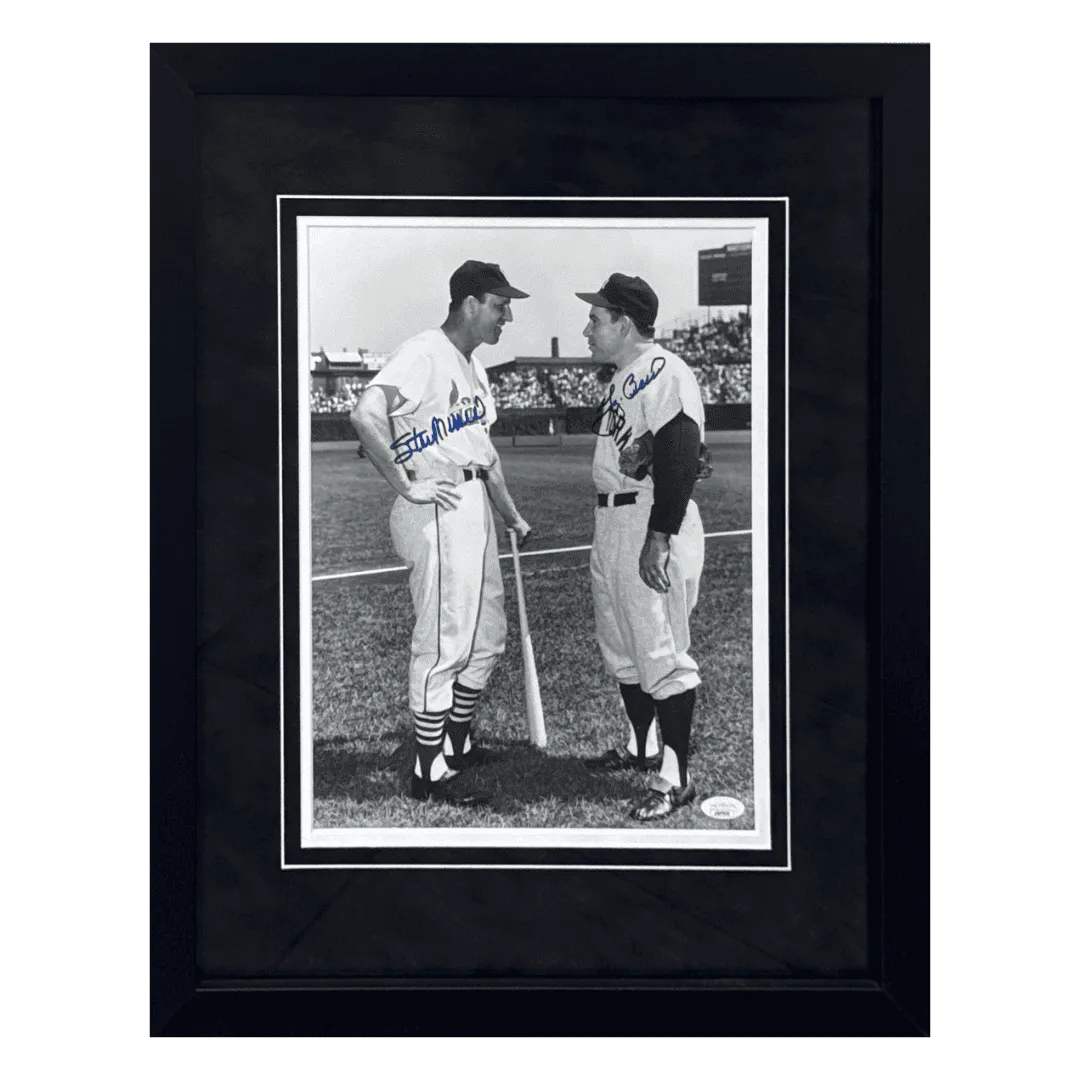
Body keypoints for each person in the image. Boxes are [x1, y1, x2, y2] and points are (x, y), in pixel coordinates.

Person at [351, 261, 533, 806]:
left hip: (471, 502)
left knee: (487, 635)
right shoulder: (426, 350)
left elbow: (486, 454)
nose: (508, 316)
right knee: (442, 640)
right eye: (500, 305)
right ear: (470, 303)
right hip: (438, 504)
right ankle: (429, 771)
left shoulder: (473, 368)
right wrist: (406, 485)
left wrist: (512, 515)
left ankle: (456, 741)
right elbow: (365, 414)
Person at [576, 273, 711, 820]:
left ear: (624, 323)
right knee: (623, 648)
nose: (587, 328)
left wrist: (659, 538)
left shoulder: (666, 370)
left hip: (646, 523)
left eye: (596, 318)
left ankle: (676, 778)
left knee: (660, 651)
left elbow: (681, 450)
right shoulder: (621, 378)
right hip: (611, 521)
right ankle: (641, 745)